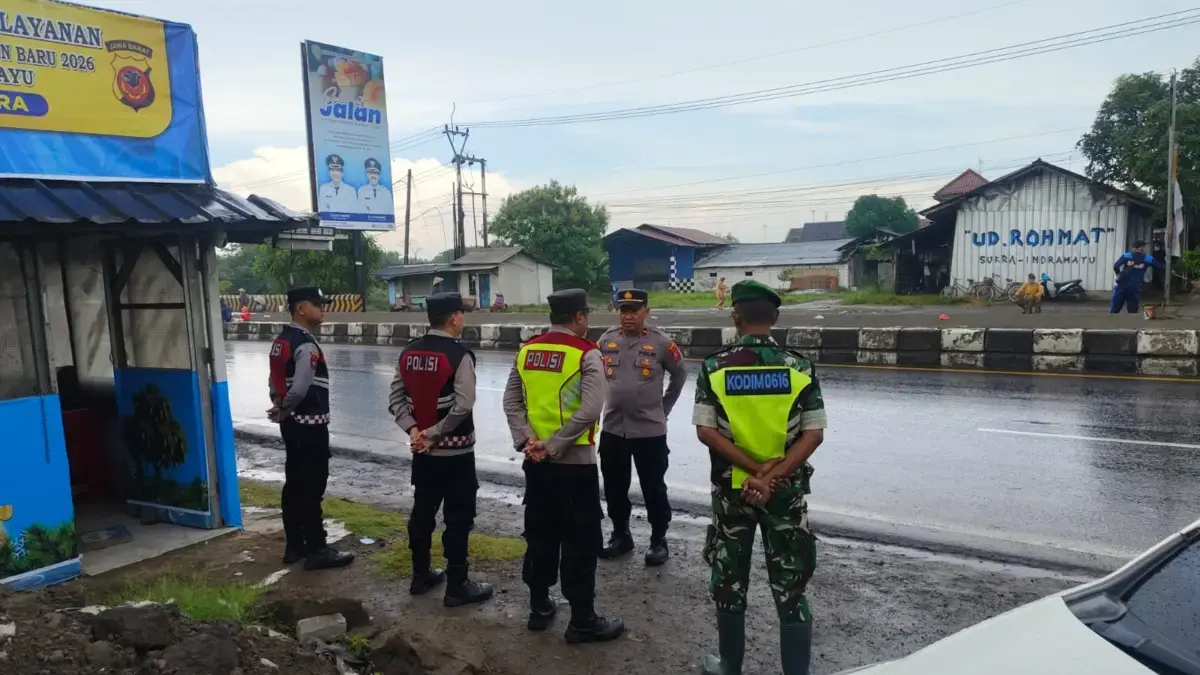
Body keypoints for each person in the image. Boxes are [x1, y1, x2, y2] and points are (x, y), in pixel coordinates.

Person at [694, 280, 826, 675]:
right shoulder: (799, 367)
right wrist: (772, 475)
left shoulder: (715, 367)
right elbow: (813, 433)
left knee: (730, 580)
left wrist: (753, 472)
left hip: (734, 493)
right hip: (785, 492)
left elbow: (706, 431)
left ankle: (729, 666)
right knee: (791, 586)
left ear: (736, 316)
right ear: (775, 318)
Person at [502, 288, 624, 644]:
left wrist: (529, 442)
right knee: (580, 541)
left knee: (539, 535)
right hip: (575, 466)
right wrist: (554, 446)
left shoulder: (527, 351)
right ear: (580, 318)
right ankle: (582, 621)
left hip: (536, 465)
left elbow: (512, 402)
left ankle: (539, 608)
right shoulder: (587, 353)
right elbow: (589, 411)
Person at [388, 292, 494, 607]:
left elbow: (395, 399)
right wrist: (434, 434)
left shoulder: (408, 353)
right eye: (461, 313)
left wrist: (415, 431)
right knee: (458, 518)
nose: (463, 318)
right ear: (453, 318)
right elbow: (463, 406)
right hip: (457, 456)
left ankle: (420, 576)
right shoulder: (459, 355)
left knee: (422, 512)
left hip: (422, 455)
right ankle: (457, 585)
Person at [595, 289, 686, 566]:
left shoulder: (661, 342)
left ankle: (659, 539)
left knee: (653, 487)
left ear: (646, 311)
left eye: (634, 310)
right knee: (614, 486)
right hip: (613, 427)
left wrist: (663, 408)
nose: (628, 316)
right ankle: (621, 535)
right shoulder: (606, 340)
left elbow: (680, 374)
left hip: (649, 430)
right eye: (624, 310)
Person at [267, 287, 355, 571]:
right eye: (317, 305)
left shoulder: (282, 341)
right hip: (310, 425)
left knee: (293, 483)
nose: (322, 309)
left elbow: (275, 381)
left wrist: (280, 407)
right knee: (312, 486)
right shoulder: (305, 345)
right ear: (300, 309)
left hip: (291, 426)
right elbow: (302, 387)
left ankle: (295, 545)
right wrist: (286, 407)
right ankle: (317, 548)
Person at [1111, 240, 1163, 314]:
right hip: (1134, 287)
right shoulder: (1148, 258)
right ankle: (1131, 325)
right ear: (1141, 248)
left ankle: (1111, 324)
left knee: (1114, 311)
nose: (1144, 248)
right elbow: (1160, 267)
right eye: (1144, 247)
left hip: (1121, 285)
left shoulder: (1126, 255)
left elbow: (1116, 266)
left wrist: (1119, 274)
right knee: (1132, 313)